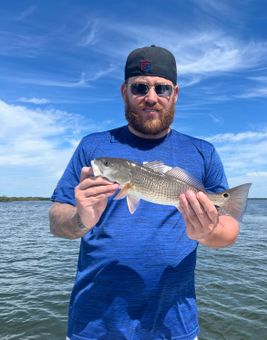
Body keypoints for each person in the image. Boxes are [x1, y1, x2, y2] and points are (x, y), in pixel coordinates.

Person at [49, 45, 239, 340]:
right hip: (93, 324)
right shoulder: (92, 147)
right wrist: (80, 220)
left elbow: (229, 231)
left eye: (161, 89)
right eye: (140, 87)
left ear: (175, 94)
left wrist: (208, 230)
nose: (151, 98)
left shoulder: (203, 152)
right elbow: (56, 219)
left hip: (173, 325)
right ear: (124, 91)